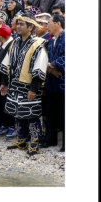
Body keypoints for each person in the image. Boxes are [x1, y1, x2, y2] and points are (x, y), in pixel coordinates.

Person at [0, 13, 48, 156]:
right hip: (15, 84)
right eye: (17, 23)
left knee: (32, 114)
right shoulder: (14, 42)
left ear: (31, 27)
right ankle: (21, 139)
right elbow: (6, 64)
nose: (18, 26)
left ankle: (34, 141)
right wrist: (4, 83)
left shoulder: (38, 44)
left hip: (29, 86)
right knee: (18, 114)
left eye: (21, 24)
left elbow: (40, 66)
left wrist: (34, 88)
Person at [43, 14, 65, 151]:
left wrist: (53, 65)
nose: (46, 26)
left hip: (63, 80)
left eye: (49, 23)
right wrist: (51, 69)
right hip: (52, 80)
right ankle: (50, 139)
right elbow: (46, 60)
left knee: (64, 113)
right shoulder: (51, 41)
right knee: (50, 112)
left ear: (58, 24)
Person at [0, 24, 15, 137]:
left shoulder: (12, 45)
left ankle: (12, 126)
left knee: (7, 103)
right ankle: (3, 124)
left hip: (8, 79)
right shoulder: (0, 45)